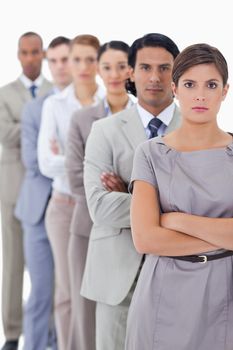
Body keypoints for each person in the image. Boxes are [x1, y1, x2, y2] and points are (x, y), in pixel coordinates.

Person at [125, 43, 233, 350]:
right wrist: (224, 235)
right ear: (175, 89)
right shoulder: (150, 154)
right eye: (189, 84)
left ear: (224, 91)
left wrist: (177, 220)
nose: (200, 95)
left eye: (210, 85)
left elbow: (159, 232)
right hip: (164, 295)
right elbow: (146, 239)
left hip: (225, 291)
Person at [81, 33, 180, 350]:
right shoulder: (104, 130)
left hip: (179, 272)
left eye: (165, 68)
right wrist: (168, 206)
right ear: (131, 74)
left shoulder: (200, 130)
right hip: (116, 278)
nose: (155, 77)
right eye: (146, 67)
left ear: (177, 74)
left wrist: (132, 196)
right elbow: (99, 208)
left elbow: (207, 207)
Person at [38, 34, 105, 350]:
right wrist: (87, 162)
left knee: (99, 289)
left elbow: (119, 161)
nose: (81, 66)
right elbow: (45, 162)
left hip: (102, 209)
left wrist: (70, 157)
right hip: (64, 207)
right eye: (75, 59)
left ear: (98, 62)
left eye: (89, 59)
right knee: (67, 291)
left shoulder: (110, 102)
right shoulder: (54, 104)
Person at [66, 40, 134, 350]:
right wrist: (106, 187)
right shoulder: (82, 119)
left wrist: (126, 188)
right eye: (107, 67)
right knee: (87, 314)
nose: (115, 73)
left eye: (122, 66)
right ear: (98, 70)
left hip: (137, 234)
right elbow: (76, 177)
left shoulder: (146, 116)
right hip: (88, 228)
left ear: (131, 70)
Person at [14, 36, 72, 350]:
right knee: (41, 290)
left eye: (68, 60)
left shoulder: (87, 102)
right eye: (56, 60)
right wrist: (69, 157)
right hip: (37, 208)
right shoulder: (36, 108)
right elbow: (34, 161)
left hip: (73, 206)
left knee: (69, 289)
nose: (61, 66)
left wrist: (59, 153)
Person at [0, 32, 52, 350]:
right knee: (13, 261)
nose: (30, 58)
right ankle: (13, 332)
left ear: (43, 55)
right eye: (25, 52)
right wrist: (39, 126)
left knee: (50, 266)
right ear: (18, 55)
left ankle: (49, 330)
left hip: (49, 190)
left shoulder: (56, 91)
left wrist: (26, 125)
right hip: (12, 188)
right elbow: (4, 134)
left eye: (35, 52)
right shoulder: (4, 93)